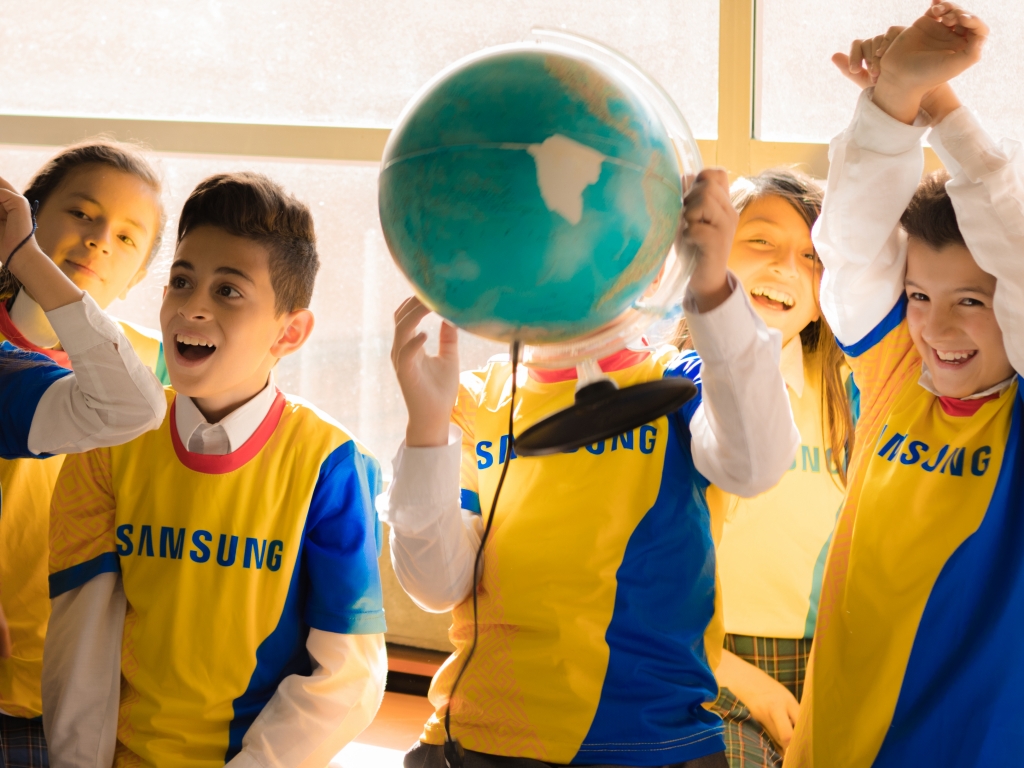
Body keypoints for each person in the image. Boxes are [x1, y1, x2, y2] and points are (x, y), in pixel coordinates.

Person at [383, 168, 800, 768]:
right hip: (475, 738)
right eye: (539, 248)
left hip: (652, 743)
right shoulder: (473, 398)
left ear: (652, 271)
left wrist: (713, 289)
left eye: (598, 250)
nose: (566, 273)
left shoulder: (679, 384)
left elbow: (757, 464)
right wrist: (425, 429)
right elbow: (436, 587)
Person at [42, 173, 387, 767]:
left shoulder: (332, 464)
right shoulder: (109, 440)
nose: (192, 307)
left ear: (290, 332)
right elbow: (81, 640)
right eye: (181, 281)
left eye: (228, 290)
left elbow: (347, 677)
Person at [785, 4, 1024, 765]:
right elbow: (852, 248)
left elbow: (1018, 254)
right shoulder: (897, 370)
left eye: (971, 302)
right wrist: (894, 100)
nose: (937, 327)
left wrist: (945, 109)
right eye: (921, 295)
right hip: (835, 744)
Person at [672, 171, 854, 767]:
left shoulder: (850, 392)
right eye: (761, 241)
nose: (785, 267)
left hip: (830, 663)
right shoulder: (666, 388)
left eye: (812, 256)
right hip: (702, 663)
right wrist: (742, 679)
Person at [0, 141, 170, 765]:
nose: (99, 240)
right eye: (82, 213)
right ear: (25, 217)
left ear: (140, 275)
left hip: (96, 687)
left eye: (126, 238)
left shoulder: (159, 366)